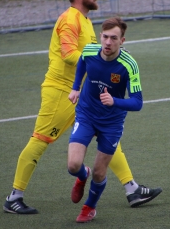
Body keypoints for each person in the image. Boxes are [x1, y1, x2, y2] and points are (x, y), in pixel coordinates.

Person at [3, 0, 161, 215]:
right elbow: (68, 54)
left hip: (84, 95)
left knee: (107, 137)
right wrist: (100, 63)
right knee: (40, 140)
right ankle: (14, 197)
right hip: (61, 93)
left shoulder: (85, 20)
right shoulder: (69, 19)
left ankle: (132, 189)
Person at [68, 17, 149, 223]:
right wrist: (76, 88)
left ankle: (89, 208)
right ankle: (81, 175)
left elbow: (137, 103)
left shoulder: (129, 65)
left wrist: (115, 101)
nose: (108, 42)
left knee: (99, 172)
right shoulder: (89, 51)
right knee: (73, 165)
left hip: (111, 123)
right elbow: (81, 65)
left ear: (122, 41)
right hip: (86, 114)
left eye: (114, 38)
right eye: (105, 37)